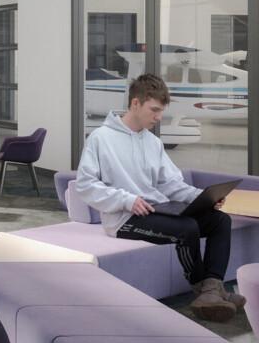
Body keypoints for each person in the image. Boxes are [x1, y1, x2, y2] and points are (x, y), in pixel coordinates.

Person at [75, 73, 242, 322]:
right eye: (154, 110)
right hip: (124, 217)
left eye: (161, 111)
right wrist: (126, 200)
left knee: (220, 220)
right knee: (187, 227)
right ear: (135, 103)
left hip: (157, 209)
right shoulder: (100, 138)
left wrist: (202, 198)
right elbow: (86, 185)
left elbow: (171, 184)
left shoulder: (153, 142)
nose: (158, 117)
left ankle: (213, 287)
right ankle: (202, 288)